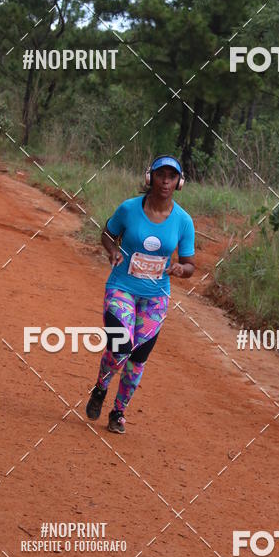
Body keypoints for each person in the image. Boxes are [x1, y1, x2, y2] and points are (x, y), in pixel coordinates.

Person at [86, 155, 196, 434]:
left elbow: (190, 264)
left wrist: (181, 269)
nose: (166, 181)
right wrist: (112, 252)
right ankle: (101, 388)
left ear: (179, 183)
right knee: (120, 348)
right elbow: (107, 234)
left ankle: (118, 412)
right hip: (121, 288)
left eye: (172, 177)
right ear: (151, 178)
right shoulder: (129, 209)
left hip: (156, 298)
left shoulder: (183, 221)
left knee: (137, 360)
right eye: (161, 175)